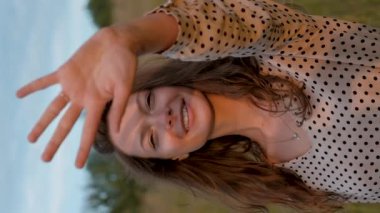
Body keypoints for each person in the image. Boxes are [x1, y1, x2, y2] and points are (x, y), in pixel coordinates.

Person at [16, 0, 379, 211]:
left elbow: (220, 21)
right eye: (152, 139)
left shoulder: (279, 51)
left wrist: (127, 38)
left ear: (166, 84)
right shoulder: (286, 179)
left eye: (147, 101)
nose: (162, 118)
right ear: (176, 158)